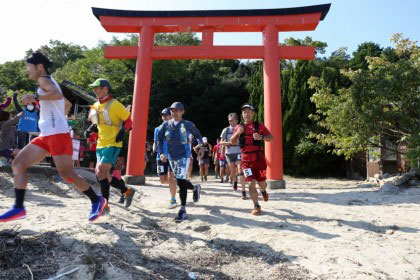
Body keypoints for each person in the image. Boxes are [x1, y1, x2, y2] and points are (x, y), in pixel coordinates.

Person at [0, 51, 106, 222]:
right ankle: (18, 208)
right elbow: (66, 103)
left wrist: (34, 98)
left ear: (39, 67)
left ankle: (97, 200)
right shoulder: (48, 82)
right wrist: (55, 115)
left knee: (66, 173)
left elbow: (56, 95)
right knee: (18, 163)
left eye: (29, 67)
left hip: (58, 135)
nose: (27, 70)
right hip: (47, 134)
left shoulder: (44, 80)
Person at [87, 78, 136, 215]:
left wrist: (123, 131)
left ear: (105, 89)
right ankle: (127, 191)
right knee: (101, 175)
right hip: (100, 144)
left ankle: (105, 207)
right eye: (94, 88)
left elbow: (129, 121)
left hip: (113, 143)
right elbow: (96, 122)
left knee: (101, 171)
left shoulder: (115, 104)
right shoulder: (95, 105)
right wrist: (90, 129)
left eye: (97, 88)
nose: (94, 90)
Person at [157, 102, 203, 223]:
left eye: (177, 110)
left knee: (181, 180)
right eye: (172, 110)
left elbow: (198, 134)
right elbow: (160, 139)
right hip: (171, 157)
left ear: (182, 111)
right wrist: (161, 152)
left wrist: (201, 146)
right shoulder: (166, 125)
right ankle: (194, 188)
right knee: (178, 180)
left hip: (184, 156)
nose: (174, 112)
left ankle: (182, 210)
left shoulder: (187, 124)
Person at [231, 103, 273, 215]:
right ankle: (256, 205)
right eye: (245, 112)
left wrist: (261, 137)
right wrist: (237, 134)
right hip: (246, 160)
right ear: (242, 115)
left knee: (262, 182)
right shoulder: (239, 128)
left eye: (249, 111)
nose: (247, 114)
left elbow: (270, 138)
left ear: (253, 113)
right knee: (251, 182)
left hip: (259, 159)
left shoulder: (259, 126)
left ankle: (263, 191)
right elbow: (232, 141)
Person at [153, 108, 177, 209]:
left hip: (172, 156)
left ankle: (173, 199)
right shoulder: (157, 129)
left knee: (171, 177)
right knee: (162, 180)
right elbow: (156, 142)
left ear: (171, 116)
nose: (164, 117)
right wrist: (154, 149)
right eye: (163, 115)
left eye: (166, 115)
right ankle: (175, 184)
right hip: (160, 156)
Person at [220, 112, 247, 199]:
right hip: (229, 153)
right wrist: (230, 142)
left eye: (232, 120)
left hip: (239, 151)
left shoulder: (241, 129)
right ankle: (235, 182)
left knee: (240, 170)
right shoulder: (226, 130)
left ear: (237, 120)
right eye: (229, 121)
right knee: (233, 171)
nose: (231, 122)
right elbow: (221, 142)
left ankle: (243, 191)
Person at [12, 91, 40, 155]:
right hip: (22, 130)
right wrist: (15, 95)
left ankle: (24, 159)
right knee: (20, 146)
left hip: (30, 131)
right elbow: (16, 104)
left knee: (27, 146)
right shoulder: (23, 111)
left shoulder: (37, 112)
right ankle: (16, 159)